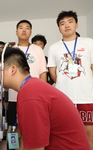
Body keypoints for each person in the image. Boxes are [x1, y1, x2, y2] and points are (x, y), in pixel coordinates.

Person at [0, 47, 90, 150]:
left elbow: (36, 148)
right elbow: (24, 137)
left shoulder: (30, 95)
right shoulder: (32, 87)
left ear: (13, 69)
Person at [47, 10, 93, 149]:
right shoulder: (54, 48)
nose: (66, 25)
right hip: (63, 98)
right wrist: (65, 84)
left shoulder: (89, 42)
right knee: (64, 133)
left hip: (86, 97)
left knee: (89, 133)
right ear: (59, 28)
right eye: (62, 23)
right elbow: (53, 73)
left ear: (76, 25)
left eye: (70, 21)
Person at [7, 20, 48, 128]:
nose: (24, 30)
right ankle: (16, 145)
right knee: (14, 128)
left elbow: (42, 72)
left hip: (34, 96)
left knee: (32, 126)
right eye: (21, 28)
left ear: (31, 32)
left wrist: (43, 95)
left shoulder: (38, 49)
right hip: (14, 96)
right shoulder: (11, 50)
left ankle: (29, 145)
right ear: (16, 32)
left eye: (27, 28)